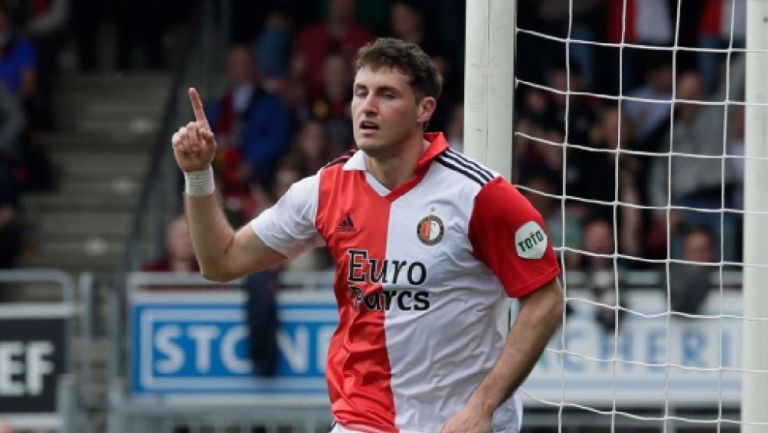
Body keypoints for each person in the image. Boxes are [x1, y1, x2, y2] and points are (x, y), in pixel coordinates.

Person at [172, 38, 563, 433]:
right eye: (360, 92)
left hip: (462, 423)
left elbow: (546, 300)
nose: (368, 106)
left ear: (424, 110)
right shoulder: (324, 190)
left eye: (387, 94)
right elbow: (221, 261)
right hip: (363, 419)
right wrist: (199, 174)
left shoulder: (478, 195)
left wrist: (482, 407)